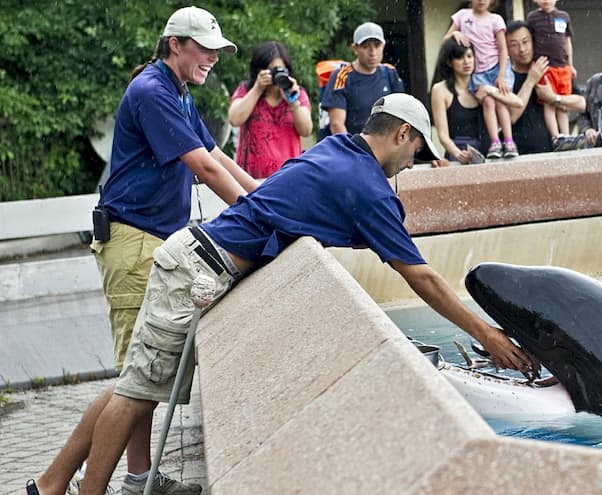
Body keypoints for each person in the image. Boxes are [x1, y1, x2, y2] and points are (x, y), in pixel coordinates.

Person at [28, 94, 533, 495]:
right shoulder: (366, 185)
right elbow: (420, 276)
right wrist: (484, 332)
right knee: (136, 397)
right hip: (197, 269)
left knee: (132, 389)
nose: (410, 162)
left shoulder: (337, 151)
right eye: (415, 150)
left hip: (193, 258)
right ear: (403, 133)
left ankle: (51, 486)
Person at [44, 7, 259, 495]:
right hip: (133, 241)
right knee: (136, 380)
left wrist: (265, 198)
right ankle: (63, 482)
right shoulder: (153, 91)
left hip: (153, 242)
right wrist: (262, 219)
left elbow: (218, 156)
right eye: (203, 49)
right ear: (175, 44)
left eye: (216, 52)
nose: (212, 59)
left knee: (141, 377)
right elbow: (204, 169)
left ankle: (125, 479)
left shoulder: (177, 91)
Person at [227, 41, 312, 178]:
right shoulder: (246, 90)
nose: (275, 76)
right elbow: (234, 119)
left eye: (280, 70)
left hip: (287, 177)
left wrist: (293, 102)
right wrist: (257, 89)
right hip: (250, 178)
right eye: (271, 71)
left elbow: (306, 130)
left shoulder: (297, 94)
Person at [446, 0, 518, 159]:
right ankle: (495, 142)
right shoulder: (462, 16)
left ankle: (509, 140)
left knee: (500, 102)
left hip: (496, 68)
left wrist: (501, 75)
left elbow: (502, 48)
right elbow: (446, 39)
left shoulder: (496, 19)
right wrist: (454, 33)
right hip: (478, 73)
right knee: (488, 102)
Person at [505, 20, 587, 154]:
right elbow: (511, 116)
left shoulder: (551, 69)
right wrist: (530, 81)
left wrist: (553, 98)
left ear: (534, 41)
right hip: (521, 155)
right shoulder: (506, 78)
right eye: (514, 45)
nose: (522, 49)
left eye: (526, 42)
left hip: (557, 153)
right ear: (506, 49)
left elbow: (582, 104)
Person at [320, 22, 404, 138]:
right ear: (355, 48)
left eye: (377, 45)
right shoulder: (342, 76)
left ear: (383, 46)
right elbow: (337, 124)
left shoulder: (390, 73)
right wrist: (353, 152)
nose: (372, 52)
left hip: (384, 148)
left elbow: (400, 115)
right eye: (366, 46)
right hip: (353, 148)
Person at [526, 0, 576, 148]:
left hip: (562, 67)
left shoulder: (564, 16)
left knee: (562, 104)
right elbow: (530, 41)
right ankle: (556, 137)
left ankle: (566, 136)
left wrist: (570, 65)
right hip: (544, 67)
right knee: (549, 102)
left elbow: (567, 42)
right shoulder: (532, 17)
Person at [430, 39, 488, 165]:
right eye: (459, 57)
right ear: (449, 62)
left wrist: (492, 92)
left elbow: (516, 104)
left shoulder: (484, 86)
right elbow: (442, 135)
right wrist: (458, 153)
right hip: (457, 155)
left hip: (488, 153)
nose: (466, 62)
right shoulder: (440, 90)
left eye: (469, 56)